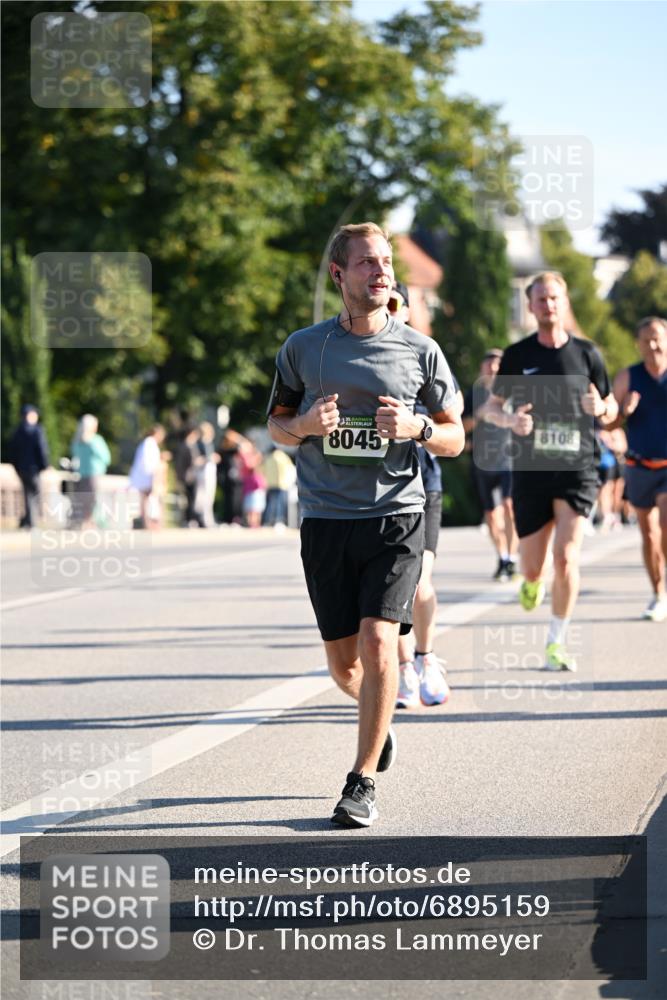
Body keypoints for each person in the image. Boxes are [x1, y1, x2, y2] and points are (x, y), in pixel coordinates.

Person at [267, 222, 463, 827]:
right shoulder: (304, 347)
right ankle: (378, 729)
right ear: (339, 274)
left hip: (395, 516)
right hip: (326, 519)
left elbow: (456, 437)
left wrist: (419, 430)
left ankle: (361, 780)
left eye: (385, 264)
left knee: (381, 641)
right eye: (367, 264)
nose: (381, 273)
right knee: (343, 667)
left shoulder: (419, 350)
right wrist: (304, 426)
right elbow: (275, 425)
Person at [484, 272, 618, 671]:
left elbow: (610, 410)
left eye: (555, 298)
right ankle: (530, 582)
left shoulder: (587, 354)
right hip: (531, 469)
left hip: (578, 467)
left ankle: (556, 641)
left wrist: (603, 409)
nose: (549, 305)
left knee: (566, 558)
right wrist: (511, 422)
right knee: (533, 565)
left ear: (564, 302)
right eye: (541, 299)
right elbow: (491, 408)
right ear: (530, 306)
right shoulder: (518, 355)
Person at [388, 281, 459, 709]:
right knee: (392, 589)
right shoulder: (351, 355)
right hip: (379, 487)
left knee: (420, 583)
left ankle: (426, 657)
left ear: (408, 311)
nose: (389, 309)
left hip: (423, 482)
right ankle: (402, 670)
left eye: (397, 304)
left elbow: (453, 416)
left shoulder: (423, 355)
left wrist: (418, 423)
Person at [610, 316, 667, 621]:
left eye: (657, 338)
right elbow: (609, 422)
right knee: (649, 534)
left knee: (666, 524)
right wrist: (623, 411)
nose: (653, 345)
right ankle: (659, 594)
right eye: (646, 340)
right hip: (639, 465)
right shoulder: (627, 377)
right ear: (638, 344)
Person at [463, 350, 518, 581]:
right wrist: (480, 415)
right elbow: (461, 428)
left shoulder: (514, 394)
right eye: (489, 365)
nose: (494, 369)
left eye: (498, 366)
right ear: (482, 368)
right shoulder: (473, 394)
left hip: (509, 459)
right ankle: (503, 557)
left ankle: (512, 558)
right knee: (491, 514)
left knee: (508, 506)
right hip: (483, 462)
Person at [9, 404, 50, 528]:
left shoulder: (18, 431)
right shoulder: (37, 430)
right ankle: (31, 522)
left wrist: (17, 467)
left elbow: (12, 452)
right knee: (35, 495)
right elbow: (42, 449)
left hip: (22, 469)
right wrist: (44, 465)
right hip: (33, 469)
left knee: (27, 495)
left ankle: (27, 521)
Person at [70, 414, 111, 527]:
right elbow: (106, 458)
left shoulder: (76, 441)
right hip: (95, 474)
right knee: (94, 500)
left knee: (83, 499)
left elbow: (74, 455)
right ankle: (92, 522)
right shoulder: (96, 440)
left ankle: (84, 522)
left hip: (81, 474)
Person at [128, 424, 166, 529]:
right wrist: (154, 476)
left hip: (146, 477)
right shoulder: (149, 443)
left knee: (146, 501)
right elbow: (148, 462)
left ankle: (147, 522)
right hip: (147, 477)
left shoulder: (149, 443)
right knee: (147, 500)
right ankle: (147, 523)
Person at [175, 425, 205, 527]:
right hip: (187, 476)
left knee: (193, 498)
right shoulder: (184, 446)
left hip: (193, 476)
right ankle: (188, 520)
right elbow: (180, 464)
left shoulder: (193, 446)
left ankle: (192, 518)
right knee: (188, 499)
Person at [261, 446, 296, 527]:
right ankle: (278, 521)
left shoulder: (269, 458)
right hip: (281, 484)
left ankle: (268, 521)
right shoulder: (282, 457)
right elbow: (289, 469)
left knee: (270, 504)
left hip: (270, 484)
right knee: (280, 504)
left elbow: (263, 470)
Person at [195, 421, 221, 527]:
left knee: (209, 496)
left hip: (209, 470)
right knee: (205, 496)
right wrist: (210, 458)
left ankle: (207, 518)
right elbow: (200, 459)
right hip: (204, 471)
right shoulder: (201, 443)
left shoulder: (208, 443)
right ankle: (205, 519)